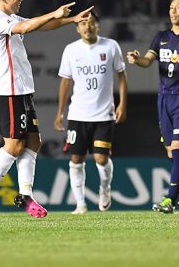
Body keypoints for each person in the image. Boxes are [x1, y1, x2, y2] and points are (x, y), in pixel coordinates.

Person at [0, 0, 93, 220]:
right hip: (8, 92)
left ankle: (25, 195)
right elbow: (28, 27)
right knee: (14, 145)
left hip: (22, 91)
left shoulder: (10, 16)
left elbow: (40, 25)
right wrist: (54, 12)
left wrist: (70, 21)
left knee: (33, 142)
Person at [126, 0, 179, 214]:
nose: (173, 12)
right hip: (164, 99)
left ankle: (169, 199)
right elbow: (147, 60)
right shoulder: (161, 37)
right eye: (171, 8)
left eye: (178, 8)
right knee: (173, 153)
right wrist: (136, 59)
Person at [54, 12, 127, 215]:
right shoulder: (71, 50)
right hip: (77, 115)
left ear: (98, 26)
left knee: (101, 159)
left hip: (104, 115)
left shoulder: (110, 46)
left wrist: (122, 104)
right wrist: (60, 112)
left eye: (92, 23)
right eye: (83, 24)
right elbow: (65, 81)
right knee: (76, 160)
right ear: (77, 28)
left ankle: (105, 189)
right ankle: (80, 204)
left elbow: (121, 75)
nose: (87, 27)